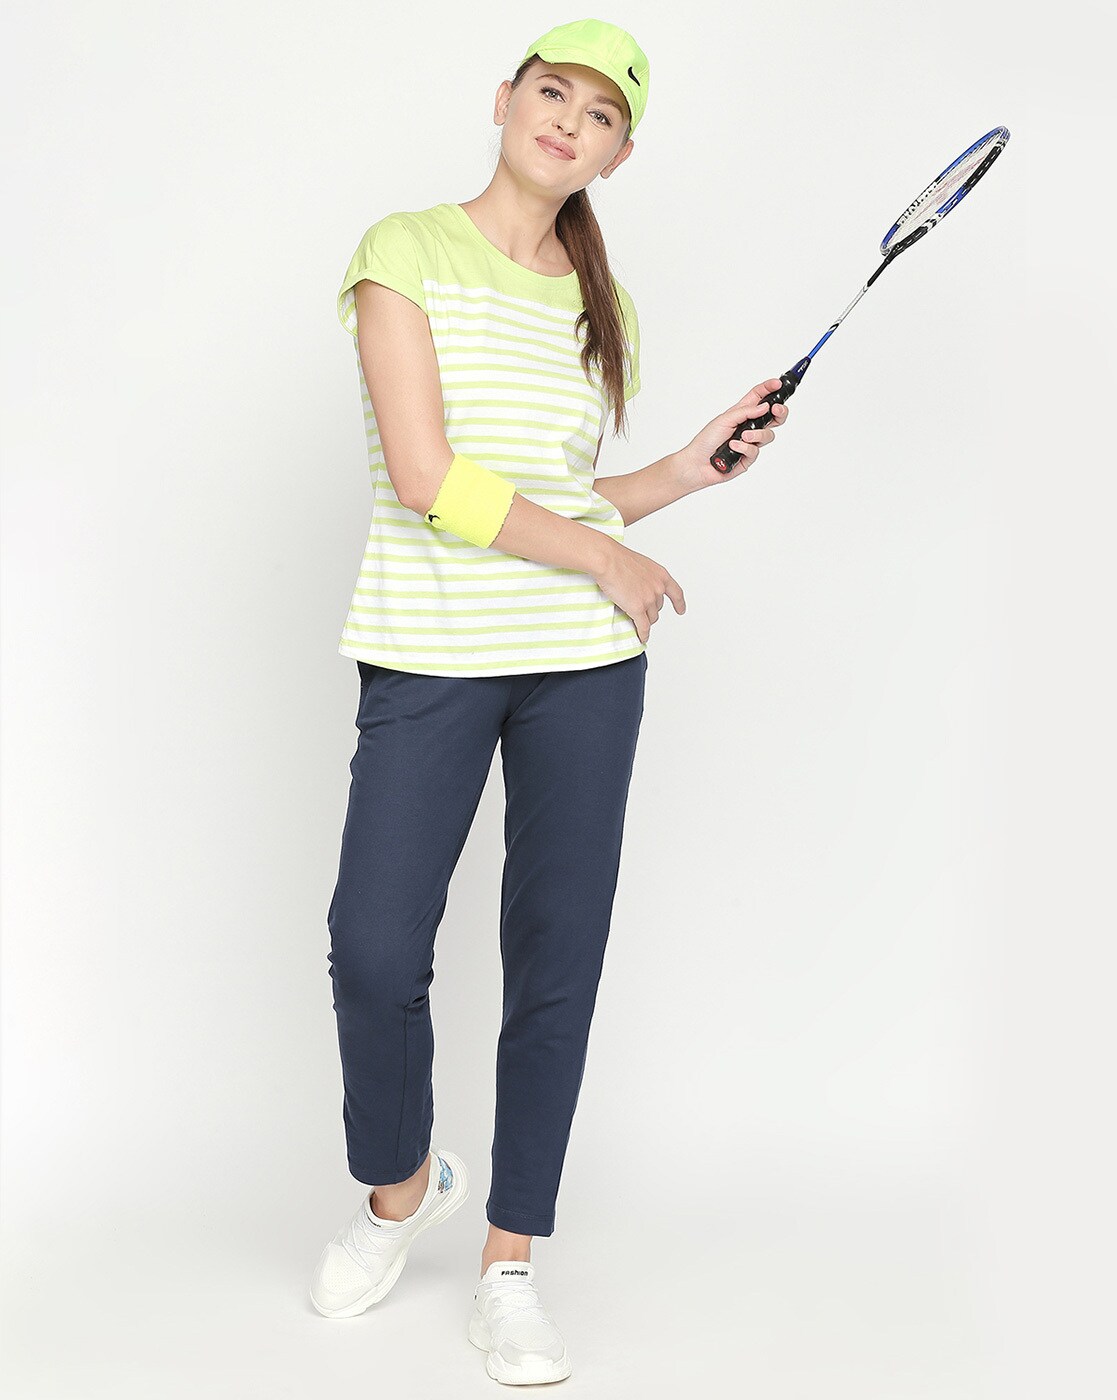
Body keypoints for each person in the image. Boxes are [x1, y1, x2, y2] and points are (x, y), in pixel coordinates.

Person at [309, 17, 788, 1386]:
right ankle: (401, 1195)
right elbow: (428, 478)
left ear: (617, 156)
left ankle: (509, 1264)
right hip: (430, 651)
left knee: (554, 961)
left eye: (600, 114)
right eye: (551, 91)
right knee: (374, 949)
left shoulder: (601, 306)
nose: (568, 119)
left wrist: (683, 472)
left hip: (582, 664)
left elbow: (574, 497)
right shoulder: (404, 250)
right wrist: (603, 554)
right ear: (506, 99)